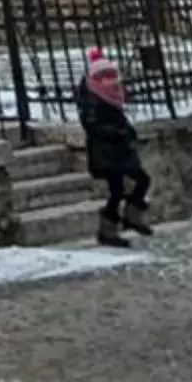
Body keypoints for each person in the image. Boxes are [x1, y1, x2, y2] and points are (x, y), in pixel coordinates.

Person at [74, 48, 153, 246]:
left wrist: (128, 132)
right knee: (118, 189)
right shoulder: (92, 99)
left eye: (111, 75)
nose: (110, 81)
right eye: (105, 76)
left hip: (120, 150)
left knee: (141, 180)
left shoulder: (113, 96)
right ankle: (109, 229)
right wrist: (117, 133)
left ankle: (130, 217)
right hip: (105, 153)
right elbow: (92, 125)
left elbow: (119, 119)